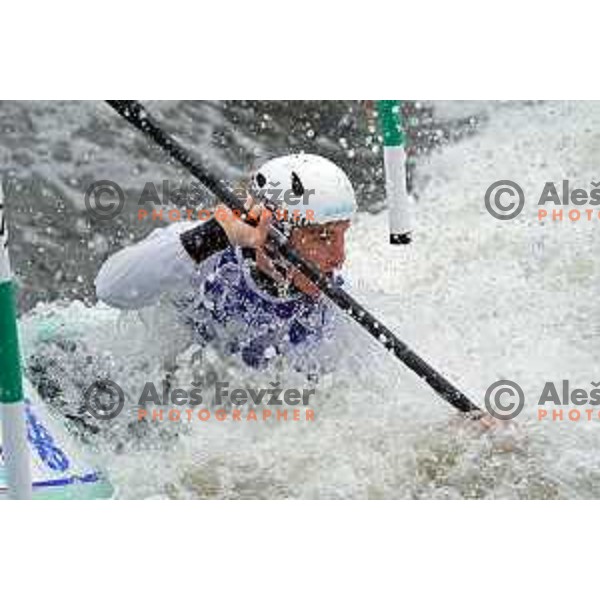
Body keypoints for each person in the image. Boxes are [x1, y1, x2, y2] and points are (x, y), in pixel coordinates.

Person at [95, 154, 356, 379]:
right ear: (272, 233)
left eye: (343, 234)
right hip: (145, 377)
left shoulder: (333, 313)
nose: (339, 257)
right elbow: (110, 289)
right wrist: (213, 235)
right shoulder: (206, 252)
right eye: (323, 237)